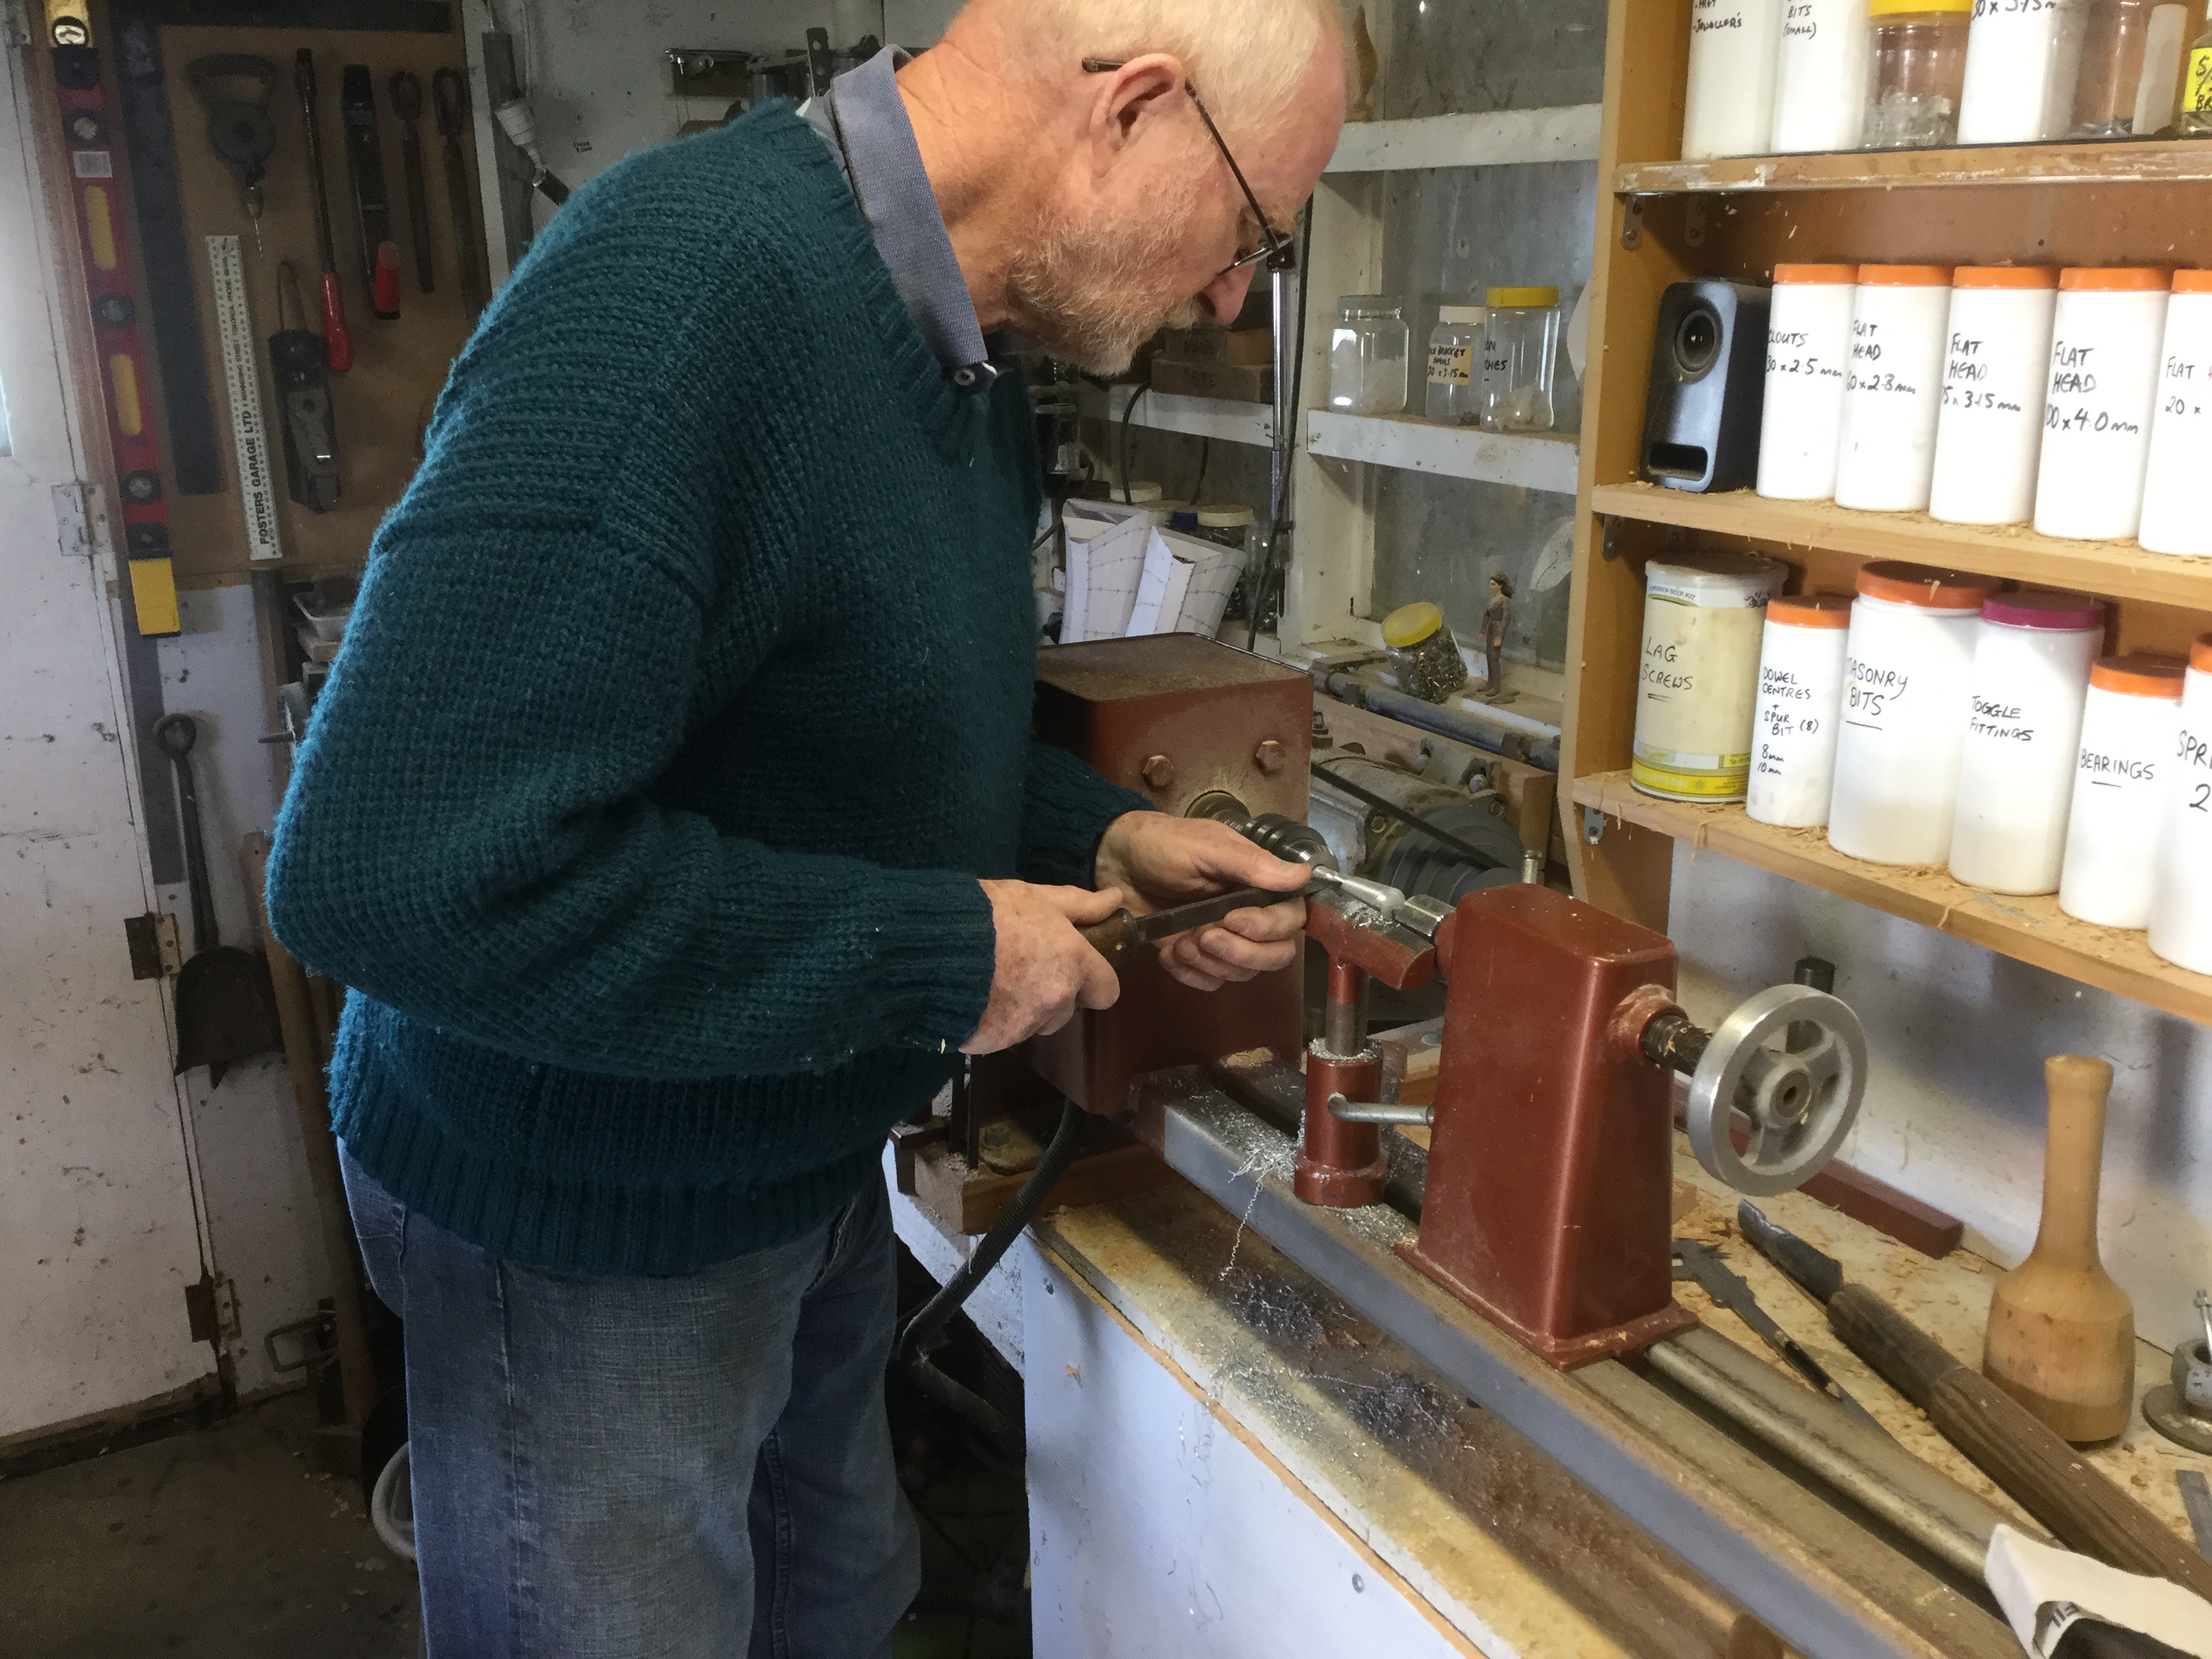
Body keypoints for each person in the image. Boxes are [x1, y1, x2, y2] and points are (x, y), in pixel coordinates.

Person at [265, 1, 1349, 1654]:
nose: (1231, 291)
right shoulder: (683, 294)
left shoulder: (966, 352)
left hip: (791, 1154)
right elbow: (386, 869)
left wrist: (1097, 841)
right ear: (1133, 107)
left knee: (842, 1601)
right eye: (1252, 228)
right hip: (584, 1218)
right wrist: (938, 951)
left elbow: (845, 736)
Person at [1481, 572, 1515, 702]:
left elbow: (1506, 618)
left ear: (1500, 586)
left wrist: (1500, 635)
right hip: (1491, 628)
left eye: (1494, 584)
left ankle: (1496, 686)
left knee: (1494, 656)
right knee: (1489, 655)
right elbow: (1486, 615)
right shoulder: (1492, 600)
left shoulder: (1505, 600)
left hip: (1498, 628)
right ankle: (1490, 682)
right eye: (1491, 584)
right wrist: (1482, 630)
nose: (1491, 587)